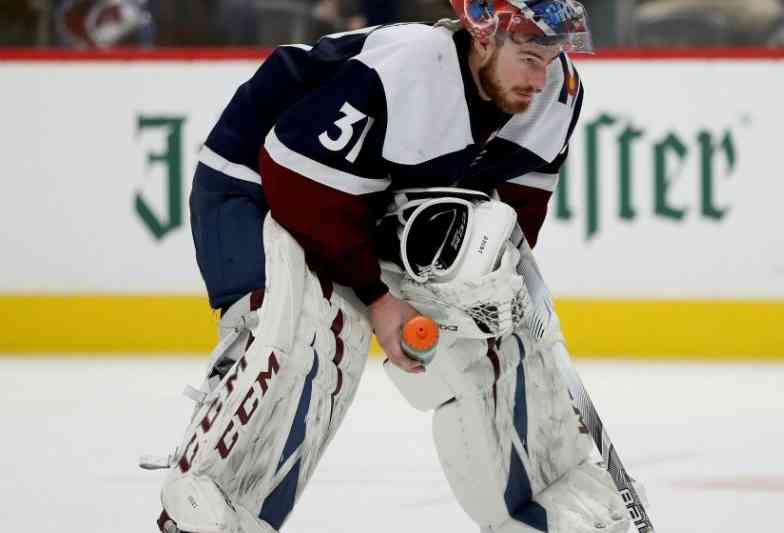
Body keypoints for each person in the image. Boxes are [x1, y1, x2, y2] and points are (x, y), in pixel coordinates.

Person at [146, 1, 632, 532]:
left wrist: (484, 287)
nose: (542, 77)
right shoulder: (407, 70)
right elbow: (301, 186)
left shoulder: (555, 96)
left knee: (494, 325)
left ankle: (539, 509)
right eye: (531, 57)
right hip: (261, 183)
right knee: (319, 334)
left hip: (378, 201)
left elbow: (511, 217)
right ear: (484, 36)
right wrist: (378, 298)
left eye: (553, 57)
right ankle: (211, 503)